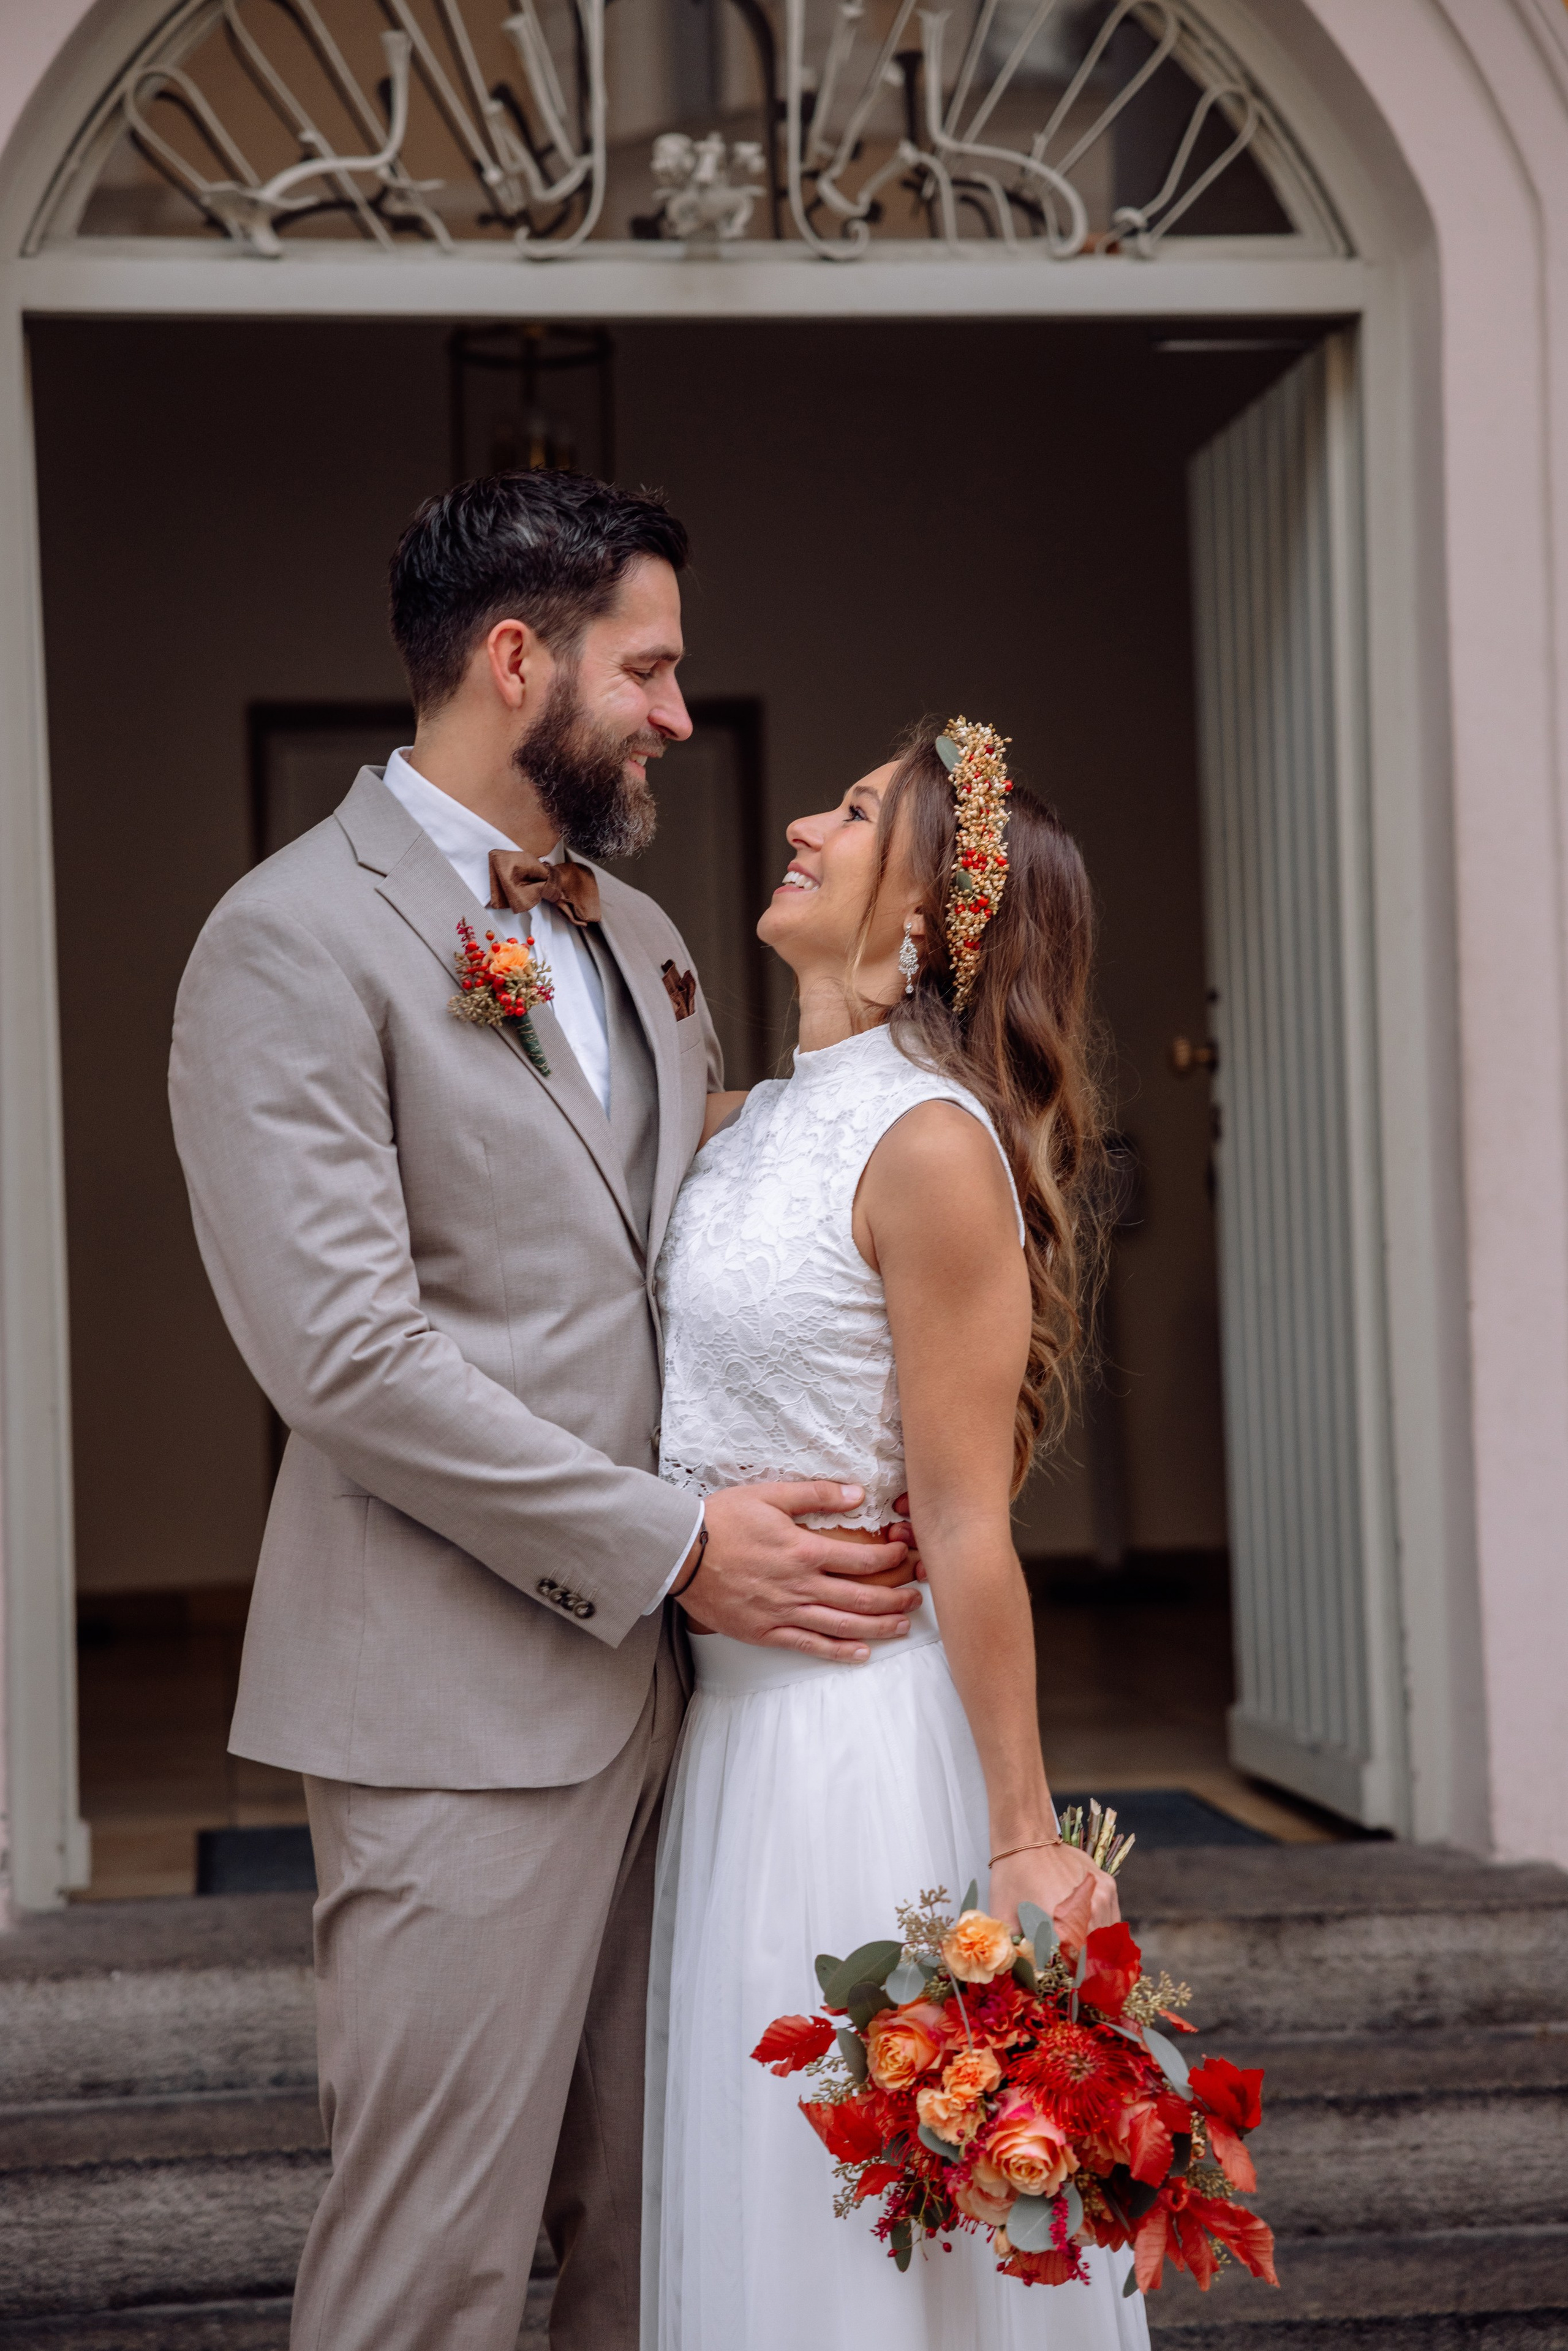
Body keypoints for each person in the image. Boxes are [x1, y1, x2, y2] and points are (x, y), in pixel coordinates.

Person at [168, 470, 924, 2351]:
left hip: (695, 1723)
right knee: (431, 2258)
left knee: (658, 2239)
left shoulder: (655, 943)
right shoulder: (284, 943)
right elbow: (343, 1357)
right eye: (649, 671)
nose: (679, 715)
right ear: (520, 662)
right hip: (452, 1709)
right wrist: (678, 1547)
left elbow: (698, 1250)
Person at [644, 719, 1147, 2347]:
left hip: (851, 1754)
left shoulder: (931, 1147)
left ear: (933, 908)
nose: (802, 823)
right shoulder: (738, 1124)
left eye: (855, 815)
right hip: (719, 1742)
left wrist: (1020, 1834)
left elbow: (967, 1525)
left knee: (858, 2240)